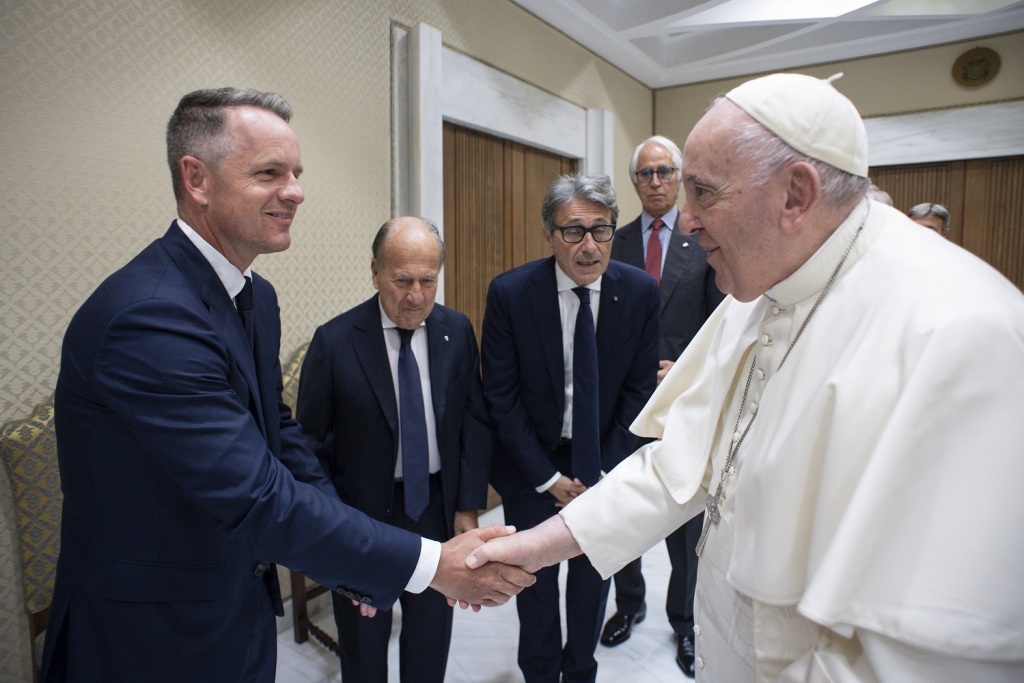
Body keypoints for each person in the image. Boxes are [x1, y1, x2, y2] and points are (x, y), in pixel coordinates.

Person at [467, 73, 1024, 681]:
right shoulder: (759, 285)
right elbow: (679, 466)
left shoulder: (963, 333)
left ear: (795, 195)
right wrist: (535, 546)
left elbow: (927, 659)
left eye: (702, 193)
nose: (684, 222)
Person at [40, 87, 534, 682]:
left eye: (297, 172)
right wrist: (427, 564)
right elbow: (255, 497)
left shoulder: (256, 297)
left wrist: (358, 555)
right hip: (152, 632)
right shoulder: (147, 317)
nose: (296, 191)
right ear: (196, 179)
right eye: (270, 172)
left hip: (238, 600)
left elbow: (279, 431)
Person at [480, 172, 660, 682]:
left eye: (601, 230)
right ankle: (539, 673)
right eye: (573, 231)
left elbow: (640, 392)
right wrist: (548, 479)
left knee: (590, 583)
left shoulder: (640, 293)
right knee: (532, 586)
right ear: (548, 234)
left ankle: (581, 670)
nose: (589, 246)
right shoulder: (512, 294)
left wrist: (600, 472)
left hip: (604, 464)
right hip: (533, 465)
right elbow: (501, 396)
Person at [296, 216, 491, 683]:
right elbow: (308, 450)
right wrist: (338, 538)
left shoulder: (456, 330)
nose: (417, 296)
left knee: (429, 637)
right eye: (402, 280)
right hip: (362, 518)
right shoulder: (336, 341)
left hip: (434, 510)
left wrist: (467, 507)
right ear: (375, 272)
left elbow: (474, 421)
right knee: (364, 647)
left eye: (428, 280)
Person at [602, 135, 724, 677]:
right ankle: (629, 603)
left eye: (665, 171)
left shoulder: (705, 238)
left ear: (679, 178)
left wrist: (689, 371)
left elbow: (727, 323)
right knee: (624, 512)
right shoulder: (612, 241)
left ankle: (684, 621)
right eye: (646, 173)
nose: (655, 181)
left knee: (683, 524)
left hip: (684, 407)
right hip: (622, 408)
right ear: (635, 182)